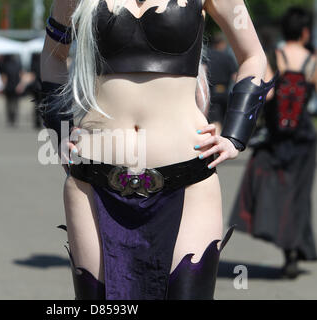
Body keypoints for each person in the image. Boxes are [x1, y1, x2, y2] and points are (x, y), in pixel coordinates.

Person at [39, 0, 275, 300]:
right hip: (93, 182)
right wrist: (59, 129)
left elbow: (253, 55)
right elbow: (52, 55)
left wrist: (236, 135)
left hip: (189, 181)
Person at [230, 7, 317, 279]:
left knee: (270, 189)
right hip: (303, 138)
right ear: (305, 32)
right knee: (298, 196)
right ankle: (294, 249)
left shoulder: (273, 58)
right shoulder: (313, 61)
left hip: (275, 138)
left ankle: (287, 244)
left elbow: (264, 96)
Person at [206, 32, 238, 135]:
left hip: (210, 91)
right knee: (222, 121)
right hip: (224, 92)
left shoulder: (206, 56)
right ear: (222, 43)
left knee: (213, 120)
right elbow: (235, 76)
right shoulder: (227, 57)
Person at [0, 54, 24, 127]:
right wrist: (20, 85)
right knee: (14, 103)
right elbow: (21, 75)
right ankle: (12, 119)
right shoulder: (17, 64)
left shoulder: (6, 64)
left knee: (10, 103)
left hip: (11, 86)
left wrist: (4, 85)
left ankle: (11, 119)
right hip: (13, 86)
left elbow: (4, 76)